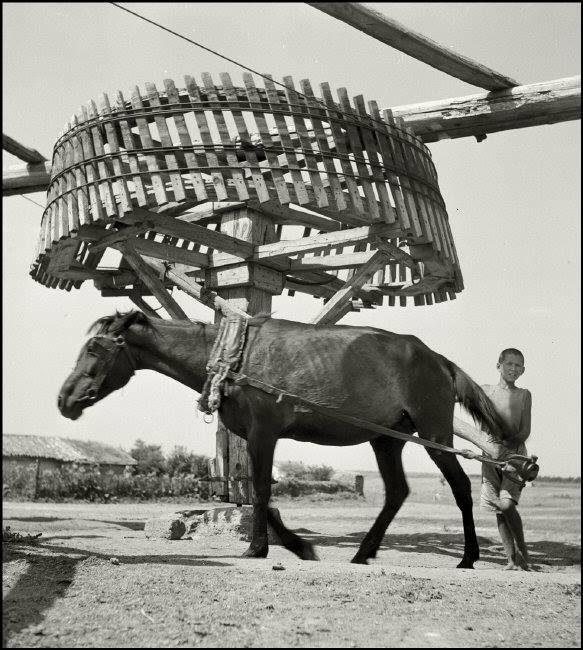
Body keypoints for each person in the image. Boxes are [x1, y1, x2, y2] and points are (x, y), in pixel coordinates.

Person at [454, 348, 532, 570]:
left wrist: (505, 450)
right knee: (499, 508)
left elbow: (525, 430)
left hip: (514, 455)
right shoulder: (485, 391)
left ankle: (523, 552)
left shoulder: (524, 394)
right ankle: (511, 560)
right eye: (509, 364)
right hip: (489, 455)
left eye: (518, 366)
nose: (513, 369)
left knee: (507, 504)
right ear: (498, 365)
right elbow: (458, 398)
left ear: (523, 370)